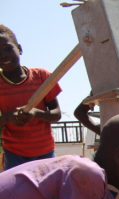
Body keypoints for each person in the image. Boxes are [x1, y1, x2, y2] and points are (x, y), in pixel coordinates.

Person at [0, 25, 62, 169]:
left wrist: (36, 113)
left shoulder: (42, 77)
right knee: (18, 192)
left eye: (7, 48)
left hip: (45, 152)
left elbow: (56, 114)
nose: (3, 55)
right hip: (14, 155)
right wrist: (9, 118)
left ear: (20, 48)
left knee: (48, 191)